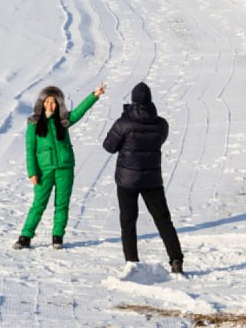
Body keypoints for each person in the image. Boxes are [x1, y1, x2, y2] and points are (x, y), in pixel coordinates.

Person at [102, 82, 184, 274]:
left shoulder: (124, 123)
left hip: (127, 179)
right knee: (163, 220)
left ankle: (132, 261)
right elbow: (159, 141)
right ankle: (176, 259)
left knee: (128, 221)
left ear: (133, 100)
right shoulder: (161, 123)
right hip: (152, 179)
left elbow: (109, 146)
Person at [14, 84, 106, 250]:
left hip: (65, 168)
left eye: (54, 102)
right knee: (38, 204)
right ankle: (25, 236)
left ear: (59, 104)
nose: (50, 105)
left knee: (62, 204)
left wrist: (95, 95)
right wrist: (32, 172)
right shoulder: (34, 124)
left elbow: (79, 112)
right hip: (44, 171)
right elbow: (30, 150)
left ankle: (57, 236)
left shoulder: (63, 121)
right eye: (47, 101)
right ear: (41, 103)